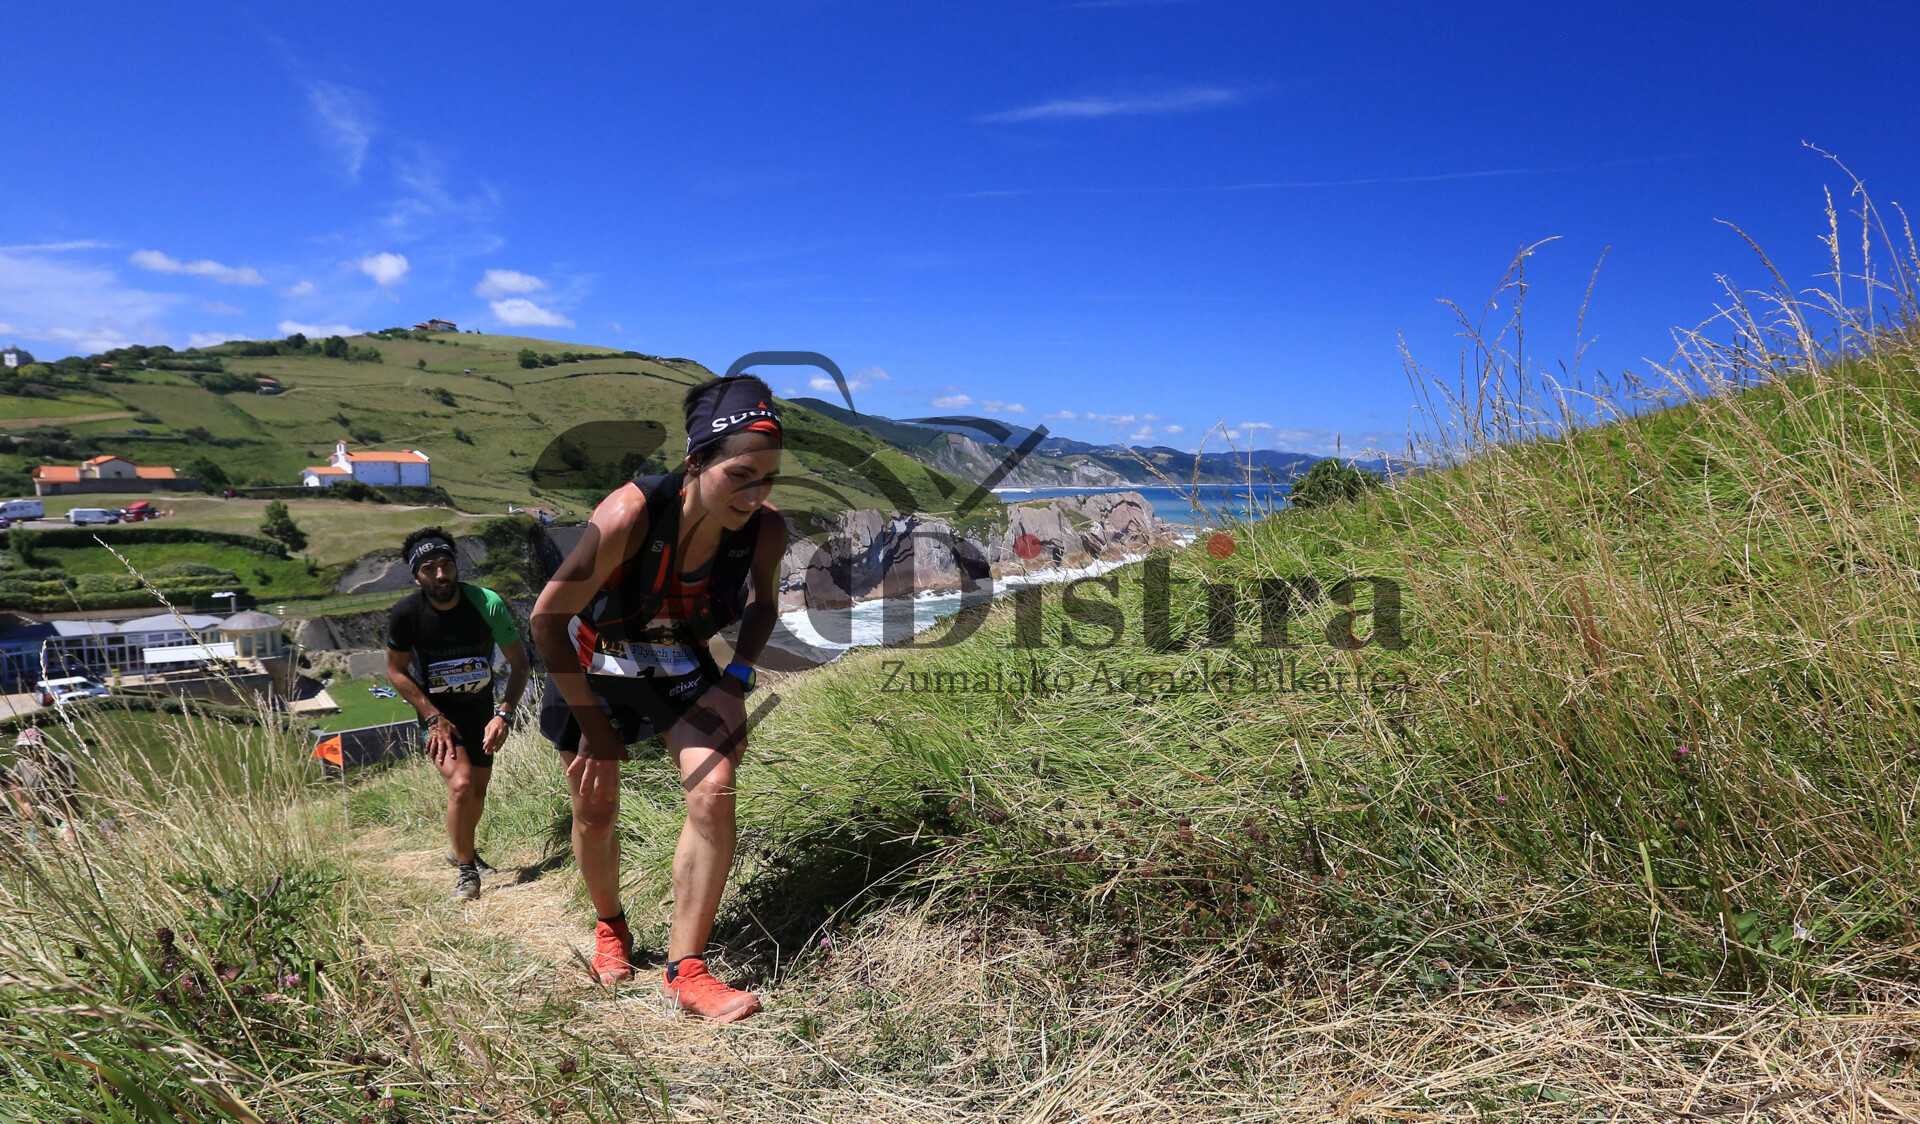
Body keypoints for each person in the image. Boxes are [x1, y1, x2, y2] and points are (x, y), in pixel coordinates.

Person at [532, 374, 786, 1023]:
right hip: (595, 661)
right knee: (594, 806)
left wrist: (737, 683)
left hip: (679, 661)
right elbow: (545, 619)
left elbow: (763, 606)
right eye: (740, 475)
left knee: (714, 786)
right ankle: (611, 927)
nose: (754, 496)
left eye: (768, 479)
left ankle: (687, 969)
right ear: (695, 462)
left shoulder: (763, 530)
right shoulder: (629, 515)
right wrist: (590, 717)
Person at [386, 528, 531, 900]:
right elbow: (396, 672)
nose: (440, 575)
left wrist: (505, 715)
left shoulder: (487, 603)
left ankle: (460, 848)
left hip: (482, 711)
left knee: (477, 792)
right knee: (462, 784)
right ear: (416, 575)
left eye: (446, 564)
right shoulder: (406, 614)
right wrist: (433, 717)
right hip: (438, 717)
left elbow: (519, 665)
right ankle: (467, 873)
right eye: (429, 568)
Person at [2, 725, 79, 845]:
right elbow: (14, 783)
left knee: (71, 845)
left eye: (30, 747)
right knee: (38, 848)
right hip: (40, 818)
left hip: (64, 815)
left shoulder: (62, 761)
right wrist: (21, 803)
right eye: (22, 748)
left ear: (42, 744)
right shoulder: (22, 765)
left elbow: (71, 795)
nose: (27, 752)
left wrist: (70, 824)